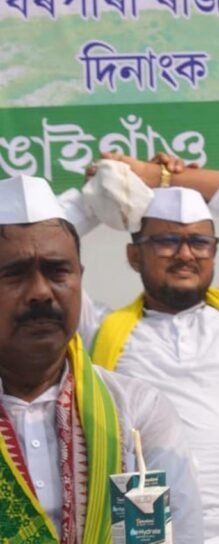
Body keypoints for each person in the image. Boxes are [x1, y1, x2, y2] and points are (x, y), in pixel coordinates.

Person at [61, 154, 219, 544]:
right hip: (157, 533)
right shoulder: (100, 330)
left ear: (214, 251)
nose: (186, 254)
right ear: (134, 255)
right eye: (167, 241)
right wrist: (110, 189)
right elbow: (30, 237)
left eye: (199, 242)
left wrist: (159, 177)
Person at [0, 174, 203, 543]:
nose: (41, 292)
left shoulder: (137, 411)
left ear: (80, 279)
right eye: (14, 274)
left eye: (57, 271)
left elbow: (181, 535)